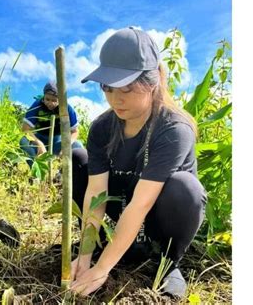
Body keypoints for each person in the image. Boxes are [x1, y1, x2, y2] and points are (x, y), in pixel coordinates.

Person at [69, 27, 207, 298]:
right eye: (108, 88)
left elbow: (141, 203)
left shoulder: (173, 129)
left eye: (127, 89)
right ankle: (104, 245)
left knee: (184, 187)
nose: (115, 99)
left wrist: (102, 270)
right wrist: (86, 256)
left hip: (157, 221)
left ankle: (165, 263)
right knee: (77, 160)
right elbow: (96, 192)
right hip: (121, 209)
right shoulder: (102, 128)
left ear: (152, 81)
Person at [20, 81, 84, 167]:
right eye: (47, 99)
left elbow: (75, 131)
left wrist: (66, 146)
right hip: (39, 138)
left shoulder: (67, 109)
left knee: (77, 145)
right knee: (23, 141)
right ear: (44, 97)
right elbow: (25, 129)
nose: (50, 103)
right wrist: (39, 143)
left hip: (57, 142)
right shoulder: (37, 106)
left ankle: (63, 173)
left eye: (54, 100)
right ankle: (36, 170)